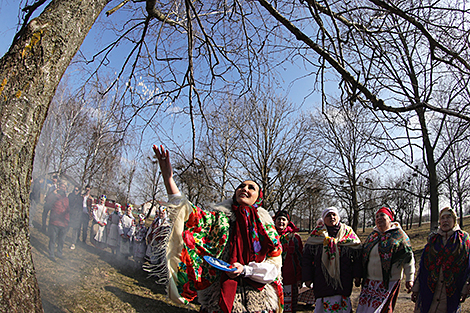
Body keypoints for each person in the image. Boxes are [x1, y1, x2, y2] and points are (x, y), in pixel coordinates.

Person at [152, 145, 283, 313]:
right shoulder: (218, 219)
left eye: (251, 188)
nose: (245, 189)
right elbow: (187, 213)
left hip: (258, 302)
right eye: (241, 186)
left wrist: (246, 270)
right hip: (219, 299)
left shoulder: (266, 229)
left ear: (259, 198)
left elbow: (273, 268)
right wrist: (168, 179)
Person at [302, 207, 362, 313]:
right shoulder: (317, 234)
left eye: (334, 215)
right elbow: (307, 259)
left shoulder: (348, 233)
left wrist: (357, 275)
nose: (332, 217)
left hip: (344, 278)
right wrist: (307, 278)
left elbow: (357, 257)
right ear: (323, 219)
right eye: (328, 216)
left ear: (338, 217)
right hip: (322, 278)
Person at [411, 207, 470, 313]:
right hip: (430, 290)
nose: (445, 221)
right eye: (443, 218)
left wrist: (467, 285)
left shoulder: (463, 240)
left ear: (454, 220)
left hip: (452, 291)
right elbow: (424, 266)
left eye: (449, 217)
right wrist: (416, 286)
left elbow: (468, 265)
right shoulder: (433, 239)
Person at [357, 206, 415, 313]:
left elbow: (408, 258)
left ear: (390, 218)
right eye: (377, 216)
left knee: (383, 310)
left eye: (382, 215)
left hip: (389, 282)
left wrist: (409, 279)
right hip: (370, 283)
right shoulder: (372, 236)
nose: (379, 218)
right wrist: (358, 275)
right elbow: (363, 256)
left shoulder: (399, 235)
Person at [274, 210, 303, 313]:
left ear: (288, 222)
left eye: (283, 219)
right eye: (279, 219)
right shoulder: (270, 236)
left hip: (290, 279)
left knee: (288, 309)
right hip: (272, 279)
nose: (281, 222)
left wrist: (299, 278)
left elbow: (299, 259)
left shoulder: (294, 238)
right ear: (274, 221)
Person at [48, 181, 70, 261]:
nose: (63, 188)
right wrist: (53, 193)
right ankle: (51, 254)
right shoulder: (54, 196)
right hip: (55, 221)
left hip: (64, 223)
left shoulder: (66, 198)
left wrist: (67, 220)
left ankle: (59, 253)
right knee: (53, 239)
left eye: (64, 187)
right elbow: (48, 201)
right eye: (61, 186)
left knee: (61, 240)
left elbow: (68, 209)